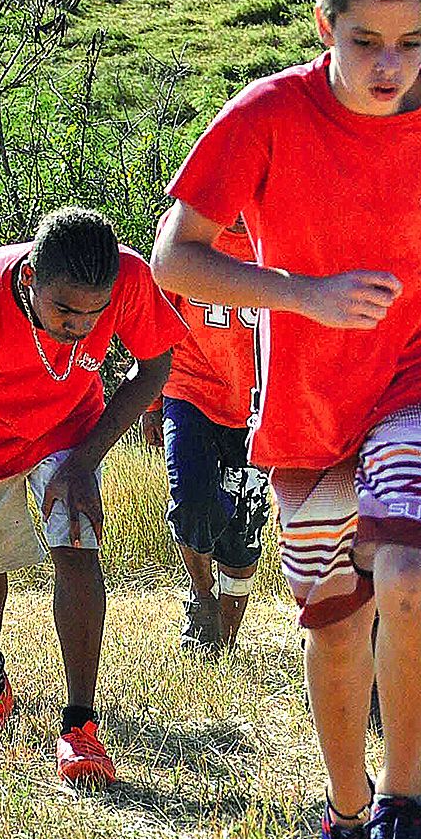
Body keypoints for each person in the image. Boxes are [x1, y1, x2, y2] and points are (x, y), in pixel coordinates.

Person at [152, 0, 421, 839]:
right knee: (332, 626)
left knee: (406, 570)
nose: (389, 65)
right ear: (324, 25)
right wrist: (299, 293)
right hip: (309, 406)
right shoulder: (263, 118)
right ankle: (346, 810)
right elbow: (172, 257)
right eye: (365, 42)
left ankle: (402, 810)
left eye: (410, 43)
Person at [0, 207, 185, 785]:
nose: (80, 326)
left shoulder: (125, 280)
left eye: (93, 313)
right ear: (29, 280)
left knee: (79, 544)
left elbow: (155, 369)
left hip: (69, 429)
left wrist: (86, 459)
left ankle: (80, 725)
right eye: (64, 311)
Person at [140, 218, 270, 654]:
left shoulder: (279, 231)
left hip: (258, 403)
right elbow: (157, 319)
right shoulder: (185, 230)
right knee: (193, 503)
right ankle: (201, 597)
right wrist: (153, 402)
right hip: (189, 387)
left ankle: (225, 642)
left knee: (244, 533)